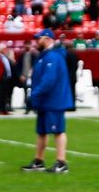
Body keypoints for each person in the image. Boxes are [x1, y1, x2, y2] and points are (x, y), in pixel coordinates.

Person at [23, 31, 73, 174]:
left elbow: (49, 80)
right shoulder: (45, 56)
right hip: (45, 100)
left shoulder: (53, 56)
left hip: (54, 100)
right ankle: (39, 160)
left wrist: (34, 94)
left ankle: (61, 162)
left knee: (58, 130)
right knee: (42, 131)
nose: (36, 42)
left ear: (47, 39)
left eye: (39, 39)